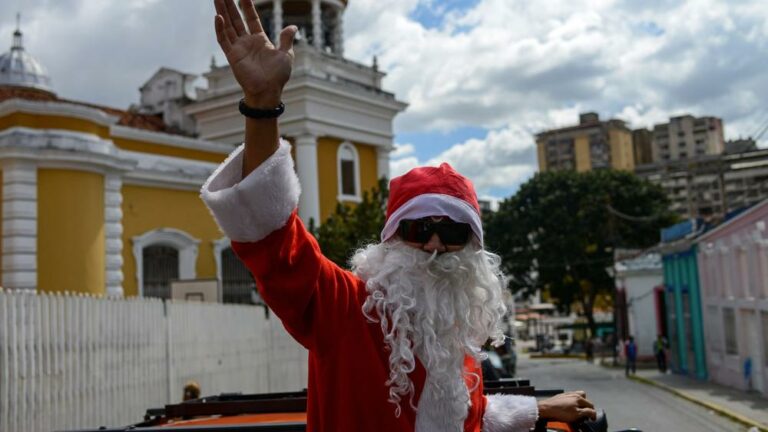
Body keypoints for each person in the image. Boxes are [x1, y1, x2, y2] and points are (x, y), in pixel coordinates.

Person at [201, 1, 597, 430]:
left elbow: (465, 416)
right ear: (391, 238)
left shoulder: (454, 330)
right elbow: (274, 241)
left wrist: (536, 409)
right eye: (418, 229)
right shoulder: (347, 308)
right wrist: (262, 107)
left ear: (473, 246)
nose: (434, 245)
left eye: (451, 231)